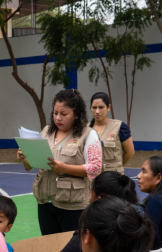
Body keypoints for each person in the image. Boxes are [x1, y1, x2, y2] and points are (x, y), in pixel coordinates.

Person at [16, 89, 103, 235]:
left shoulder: (88, 134)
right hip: (45, 202)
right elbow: (32, 165)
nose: (58, 118)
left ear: (76, 114)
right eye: (55, 113)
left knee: (71, 250)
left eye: (64, 114)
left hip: (72, 205)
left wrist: (64, 168)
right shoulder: (46, 131)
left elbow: (95, 168)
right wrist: (26, 160)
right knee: (49, 247)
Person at [89, 92, 135, 174]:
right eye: (94, 107)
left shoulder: (119, 127)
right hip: (92, 178)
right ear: (90, 108)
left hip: (113, 178)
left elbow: (130, 152)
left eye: (101, 107)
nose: (97, 111)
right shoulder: (85, 129)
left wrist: (117, 167)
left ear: (108, 107)